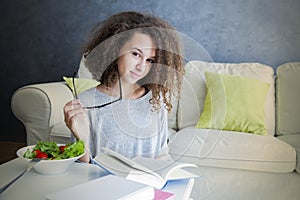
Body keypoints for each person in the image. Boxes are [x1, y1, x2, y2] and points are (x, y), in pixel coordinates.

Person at [64, 11, 184, 163]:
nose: (141, 66)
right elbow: (82, 168)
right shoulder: (85, 102)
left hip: (148, 184)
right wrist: (82, 139)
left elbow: (162, 154)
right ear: (115, 49)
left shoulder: (155, 100)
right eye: (135, 54)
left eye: (150, 60)